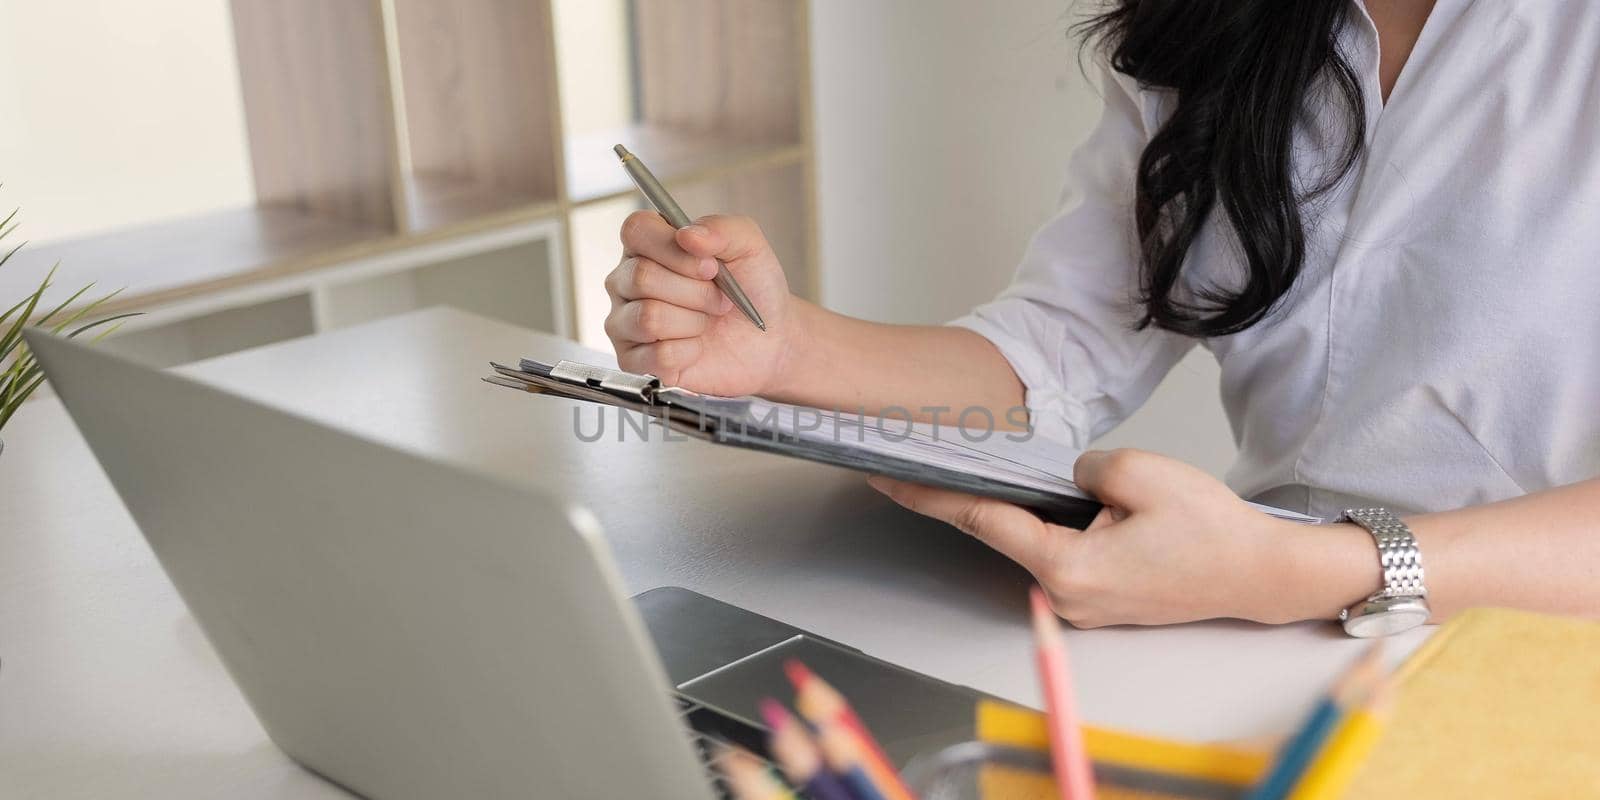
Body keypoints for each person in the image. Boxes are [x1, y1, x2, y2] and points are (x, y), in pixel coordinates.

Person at [601, 0, 1600, 630]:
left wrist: (1306, 571)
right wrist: (787, 346)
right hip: (1256, 632)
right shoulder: (1216, 27)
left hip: (1545, 659)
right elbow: (1061, 348)